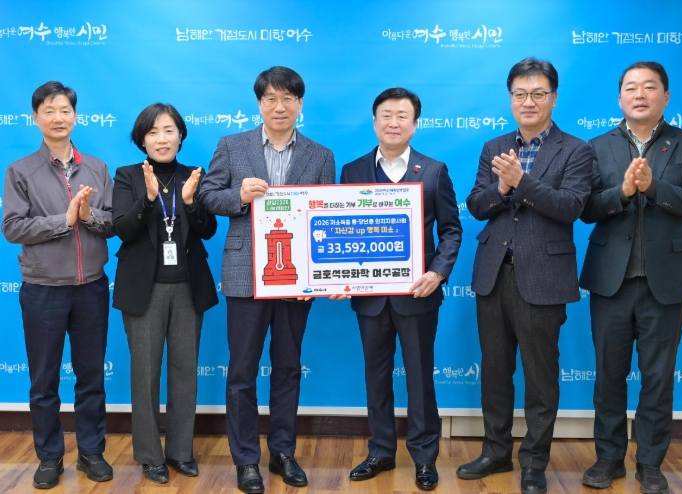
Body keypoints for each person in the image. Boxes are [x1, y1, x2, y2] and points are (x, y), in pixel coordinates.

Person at [199, 66, 335, 494]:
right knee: (241, 370)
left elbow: (327, 217)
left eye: (288, 99)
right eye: (271, 98)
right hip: (246, 275)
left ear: (300, 104)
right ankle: (245, 460)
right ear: (259, 103)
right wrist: (238, 197)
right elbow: (207, 196)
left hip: (297, 277)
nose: (280, 106)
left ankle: (283, 452)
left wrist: (323, 276)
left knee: (288, 368)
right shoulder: (232, 145)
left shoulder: (320, 155)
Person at [459, 58, 592, 494]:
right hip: (493, 274)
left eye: (538, 93)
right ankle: (495, 452)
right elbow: (476, 205)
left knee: (540, 376)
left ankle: (534, 462)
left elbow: (571, 207)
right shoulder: (494, 146)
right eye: (520, 94)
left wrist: (521, 182)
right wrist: (500, 188)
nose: (528, 101)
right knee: (495, 372)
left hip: (544, 277)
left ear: (553, 98)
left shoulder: (576, 149)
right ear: (511, 98)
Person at [579, 62, 682, 494]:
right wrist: (623, 192)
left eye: (649, 87)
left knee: (658, 378)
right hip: (610, 280)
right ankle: (608, 459)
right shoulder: (597, 146)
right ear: (620, 98)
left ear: (665, 97)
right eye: (631, 87)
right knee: (608, 376)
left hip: (665, 282)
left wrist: (654, 188)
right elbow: (586, 208)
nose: (639, 94)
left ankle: (650, 464)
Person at [340, 87, 462, 491]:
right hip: (369, 297)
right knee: (375, 377)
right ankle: (380, 450)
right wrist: (338, 275)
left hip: (418, 293)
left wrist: (437, 273)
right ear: (375, 121)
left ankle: (425, 458)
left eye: (402, 116)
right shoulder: (353, 170)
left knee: (420, 378)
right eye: (386, 115)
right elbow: (341, 230)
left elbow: (451, 230)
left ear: (415, 123)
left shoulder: (434, 171)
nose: (393, 123)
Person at [2, 81, 114, 489]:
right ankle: (49, 457)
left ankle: (91, 452)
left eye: (65, 109)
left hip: (91, 288)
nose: (58, 117)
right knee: (44, 381)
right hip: (43, 289)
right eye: (48, 110)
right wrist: (62, 221)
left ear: (76, 116)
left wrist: (88, 217)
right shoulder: (20, 171)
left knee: (91, 377)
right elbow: (12, 227)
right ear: (35, 118)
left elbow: (113, 223)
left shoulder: (97, 168)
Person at [111, 103, 218, 483]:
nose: (162, 138)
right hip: (144, 290)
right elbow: (122, 229)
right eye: (153, 132)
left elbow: (208, 231)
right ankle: (149, 455)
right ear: (142, 139)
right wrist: (148, 199)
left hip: (188, 287)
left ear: (181, 135)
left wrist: (189, 202)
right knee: (145, 374)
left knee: (185, 371)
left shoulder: (194, 175)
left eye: (169, 130)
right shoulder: (127, 176)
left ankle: (180, 451)